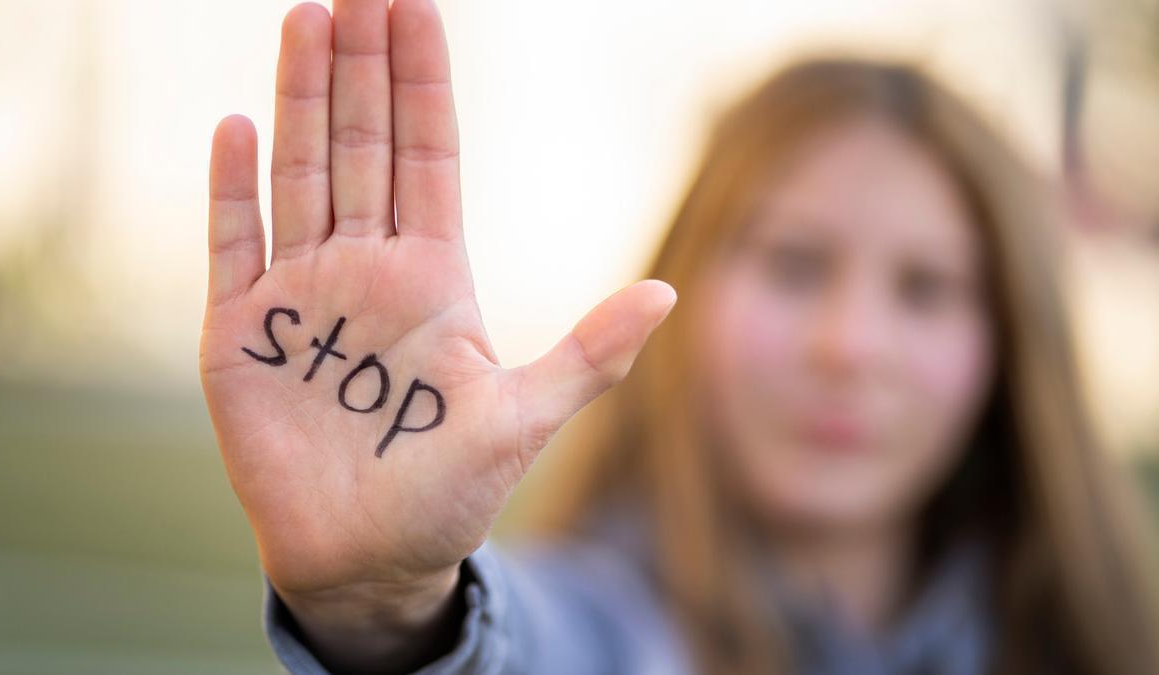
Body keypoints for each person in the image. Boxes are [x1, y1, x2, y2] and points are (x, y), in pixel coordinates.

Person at [199, 1, 1159, 673]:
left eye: (927, 288)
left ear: (1012, 348)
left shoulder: (1108, 636)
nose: (849, 345)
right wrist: (386, 605)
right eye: (794, 263)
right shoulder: (603, 629)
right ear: (686, 288)